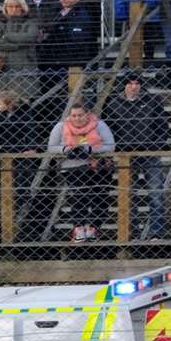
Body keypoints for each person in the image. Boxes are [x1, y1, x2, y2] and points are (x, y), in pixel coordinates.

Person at [46, 101, 115, 242]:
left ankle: (94, 228)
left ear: (87, 115)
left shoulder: (99, 125)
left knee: (100, 196)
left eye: (80, 115)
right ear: (69, 116)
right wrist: (65, 150)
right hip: (73, 166)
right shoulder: (61, 127)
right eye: (74, 115)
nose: (77, 118)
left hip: (97, 165)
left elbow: (110, 145)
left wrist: (90, 149)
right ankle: (78, 228)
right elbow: (51, 146)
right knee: (79, 194)